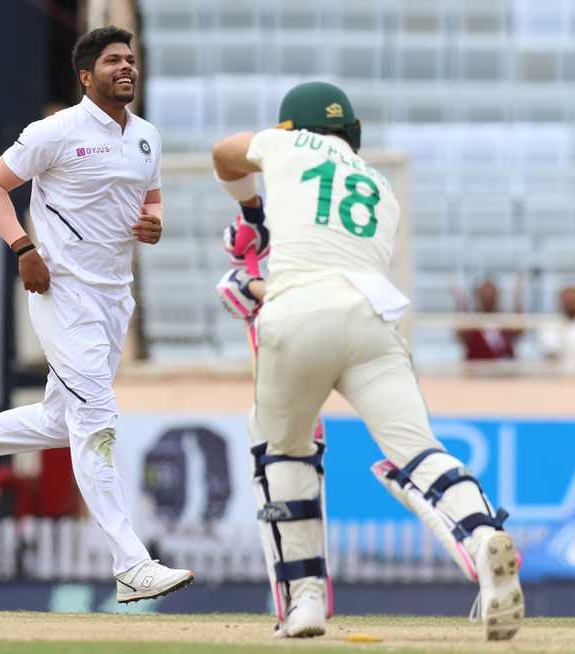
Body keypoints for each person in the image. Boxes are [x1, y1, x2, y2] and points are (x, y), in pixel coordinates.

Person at [211, 81, 522, 640]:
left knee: (282, 449)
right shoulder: (381, 187)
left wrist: (251, 209)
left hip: (299, 312)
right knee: (419, 450)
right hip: (373, 320)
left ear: (290, 127)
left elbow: (223, 155)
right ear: (352, 134)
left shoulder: (285, 145)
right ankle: (481, 537)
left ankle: (304, 599)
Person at [0, 25, 194, 603]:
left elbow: (151, 198)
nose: (126, 67)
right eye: (113, 60)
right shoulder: (55, 132)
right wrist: (24, 248)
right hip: (63, 295)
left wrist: (155, 222)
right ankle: (131, 563)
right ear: (86, 77)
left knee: (60, 422)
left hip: (116, 299)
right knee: (98, 421)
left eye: (131, 59)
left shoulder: (147, 138)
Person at [453, 279, 523, 361]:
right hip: (477, 369)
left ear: (497, 295)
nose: (487, 296)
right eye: (484, 294)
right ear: (477, 296)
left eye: (490, 294)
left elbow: (519, 331)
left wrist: (517, 299)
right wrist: (460, 304)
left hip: (503, 370)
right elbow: (461, 337)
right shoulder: (471, 320)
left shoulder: (505, 318)